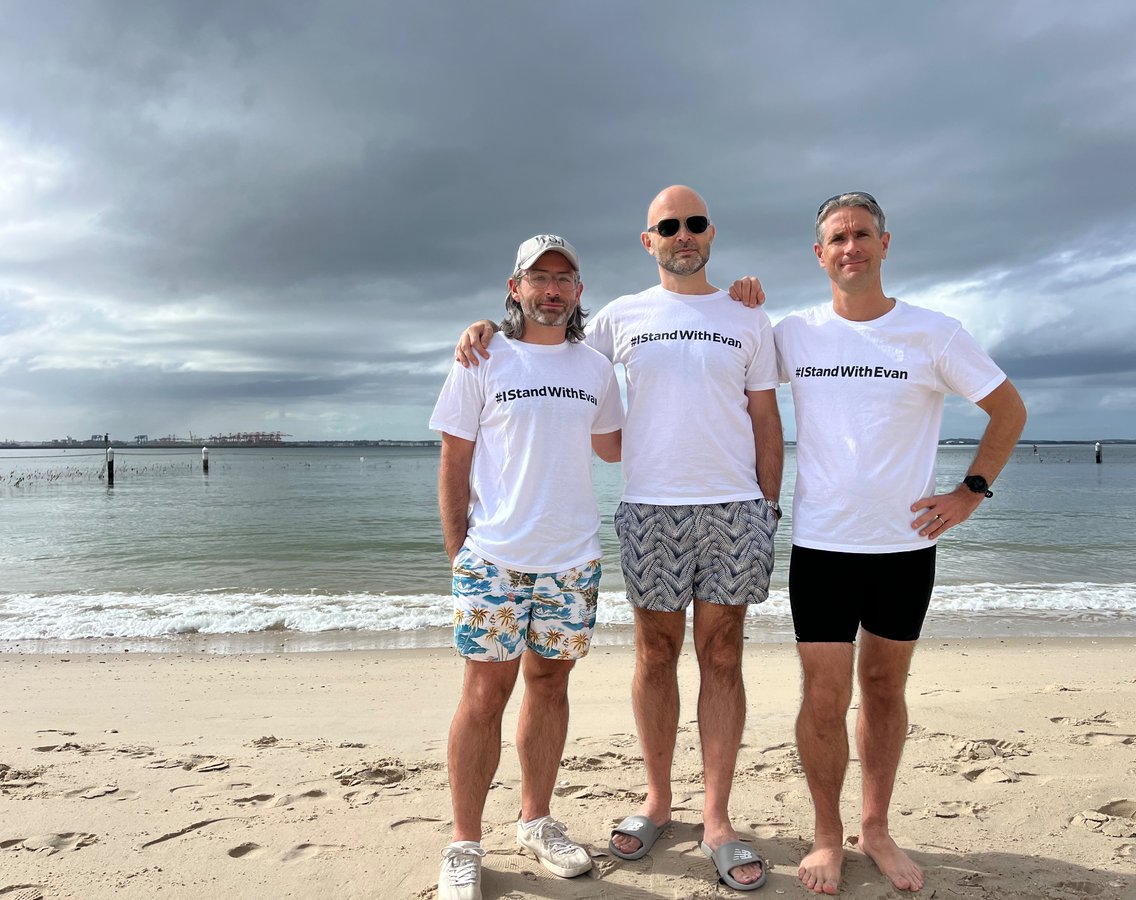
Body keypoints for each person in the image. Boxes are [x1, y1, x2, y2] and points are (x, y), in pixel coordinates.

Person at [456, 186, 783, 891]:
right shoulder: (617, 318)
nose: (683, 234)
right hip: (648, 509)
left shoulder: (748, 312)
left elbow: (765, 417)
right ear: (649, 240)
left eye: (694, 223)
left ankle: (719, 818)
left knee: (723, 656)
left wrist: (770, 506)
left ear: (711, 233)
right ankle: (659, 802)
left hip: (733, 507)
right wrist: (484, 324)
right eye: (669, 225)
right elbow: (546, 347)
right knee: (655, 654)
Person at [772, 192, 1027, 894]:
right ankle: (828, 836)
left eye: (861, 235)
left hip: (905, 547)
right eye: (836, 238)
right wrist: (737, 302)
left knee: (884, 687)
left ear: (886, 244)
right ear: (818, 254)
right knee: (823, 696)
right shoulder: (793, 332)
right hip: (822, 546)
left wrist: (970, 492)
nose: (849, 247)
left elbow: (1008, 408)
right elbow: (729, 372)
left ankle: (875, 827)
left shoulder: (933, 334)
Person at [430, 234, 623, 900]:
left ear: (577, 292)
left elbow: (614, 447)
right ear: (515, 288)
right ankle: (464, 842)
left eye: (564, 278)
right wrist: (461, 553)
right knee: (483, 698)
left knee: (550, 688)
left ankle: (536, 821)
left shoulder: (596, 369)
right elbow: (454, 461)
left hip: (573, 561)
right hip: (496, 561)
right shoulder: (483, 357)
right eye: (538, 277)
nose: (552, 288)